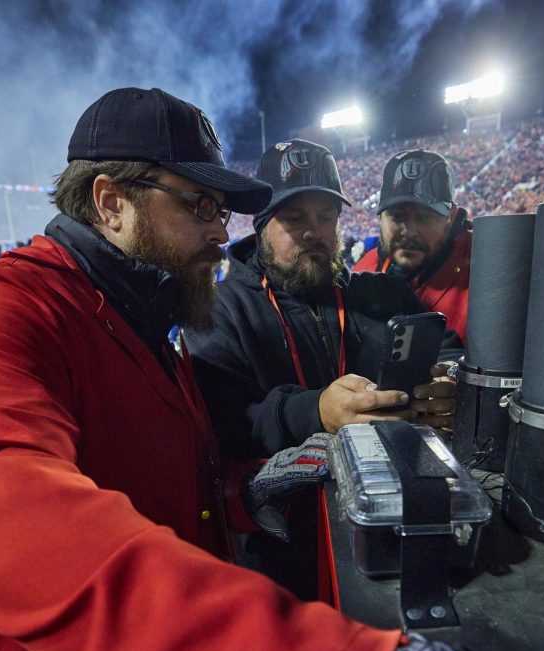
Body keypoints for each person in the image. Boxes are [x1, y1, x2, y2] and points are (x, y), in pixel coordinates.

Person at [0, 87, 544, 651]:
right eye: (198, 205)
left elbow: (149, 481)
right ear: (110, 202)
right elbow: (20, 530)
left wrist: (244, 488)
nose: (218, 230)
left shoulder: (142, 324)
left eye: (222, 210)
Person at [187, 138, 461, 461]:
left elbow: (447, 348)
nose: (313, 232)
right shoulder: (219, 310)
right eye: (295, 218)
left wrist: (450, 378)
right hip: (285, 505)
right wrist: (316, 412)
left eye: (326, 217)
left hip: (390, 490)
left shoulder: (385, 292)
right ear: (261, 226)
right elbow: (224, 423)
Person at [353, 149, 473, 340]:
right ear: (380, 217)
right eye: (397, 216)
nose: (409, 231)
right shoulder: (363, 270)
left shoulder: (484, 272)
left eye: (425, 217)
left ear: (450, 216)